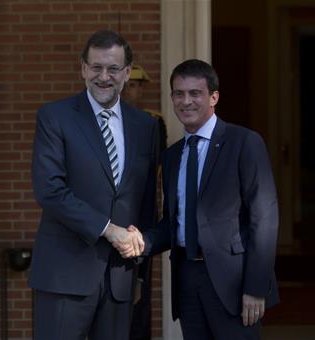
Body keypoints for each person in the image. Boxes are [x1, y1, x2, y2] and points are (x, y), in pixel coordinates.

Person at [28, 30, 159, 340]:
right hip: (64, 274)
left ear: (127, 73)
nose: (104, 76)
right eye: (96, 67)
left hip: (120, 278)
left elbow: (146, 200)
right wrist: (108, 229)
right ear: (83, 68)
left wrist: (139, 270)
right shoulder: (55, 117)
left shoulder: (146, 126)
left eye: (113, 69)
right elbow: (50, 190)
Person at [143, 59, 279, 340]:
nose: (186, 101)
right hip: (187, 280)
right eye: (179, 94)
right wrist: (140, 241)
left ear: (214, 97)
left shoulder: (244, 142)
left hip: (234, 283)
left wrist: (255, 287)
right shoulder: (172, 155)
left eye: (195, 93)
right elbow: (174, 222)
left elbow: (264, 218)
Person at [122, 65, 167, 340]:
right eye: (129, 85)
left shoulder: (152, 120)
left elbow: (155, 164)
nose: (133, 90)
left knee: (140, 289)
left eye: (138, 86)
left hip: (140, 208)